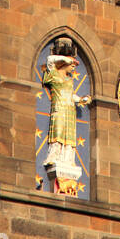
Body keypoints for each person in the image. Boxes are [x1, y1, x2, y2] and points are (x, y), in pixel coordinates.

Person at [41, 37, 91, 177]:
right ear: (64, 63)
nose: (73, 67)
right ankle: (54, 156)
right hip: (59, 109)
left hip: (69, 109)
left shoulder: (69, 81)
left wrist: (81, 99)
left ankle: (68, 159)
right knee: (58, 133)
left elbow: (70, 95)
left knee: (69, 136)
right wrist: (66, 58)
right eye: (71, 65)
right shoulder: (54, 76)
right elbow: (50, 60)